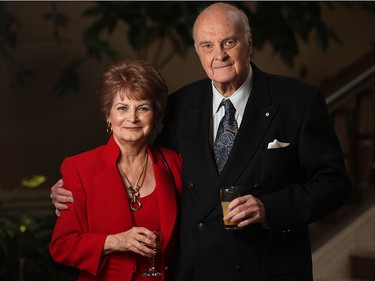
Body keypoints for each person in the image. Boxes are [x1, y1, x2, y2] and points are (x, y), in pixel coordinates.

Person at [51, 3, 351, 281]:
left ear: (249, 43)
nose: (218, 55)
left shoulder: (298, 100)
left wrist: (269, 208)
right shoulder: (181, 104)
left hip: (268, 269)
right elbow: (151, 164)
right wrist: (74, 191)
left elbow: (334, 185)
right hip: (197, 271)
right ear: (198, 51)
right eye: (207, 45)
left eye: (229, 42)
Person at [49, 59, 183, 281]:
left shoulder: (174, 163)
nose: (132, 118)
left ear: (155, 115)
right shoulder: (80, 168)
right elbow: (61, 246)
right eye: (122, 108)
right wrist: (114, 241)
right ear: (108, 116)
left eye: (143, 108)